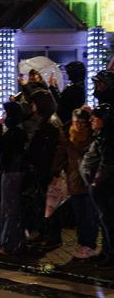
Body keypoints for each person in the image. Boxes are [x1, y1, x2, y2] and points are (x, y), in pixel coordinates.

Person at [24, 89, 62, 250]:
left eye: (33, 103)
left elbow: (51, 150)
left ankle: (52, 236)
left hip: (46, 170)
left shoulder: (50, 124)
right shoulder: (43, 121)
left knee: (50, 203)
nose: (31, 106)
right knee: (43, 203)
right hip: (41, 169)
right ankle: (46, 233)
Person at [80, 104, 114, 267]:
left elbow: (107, 163)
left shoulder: (107, 138)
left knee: (108, 221)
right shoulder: (101, 136)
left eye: (96, 117)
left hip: (104, 188)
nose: (92, 120)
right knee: (104, 221)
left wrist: (96, 182)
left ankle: (110, 255)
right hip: (99, 187)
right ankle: (107, 251)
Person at [0, 101, 28, 255]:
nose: (5, 117)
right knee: (12, 208)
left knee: (9, 209)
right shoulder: (19, 130)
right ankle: (15, 243)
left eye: (7, 114)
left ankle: (11, 244)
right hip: (15, 170)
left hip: (12, 172)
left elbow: (0, 144)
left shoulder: (15, 131)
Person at [64, 107, 99, 259]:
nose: (78, 124)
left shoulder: (92, 139)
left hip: (88, 182)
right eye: (75, 121)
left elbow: (83, 158)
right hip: (74, 182)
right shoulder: (69, 137)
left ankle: (89, 245)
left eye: (81, 122)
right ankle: (82, 243)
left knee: (89, 216)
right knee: (79, 216)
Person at [53, 61, 86, 125]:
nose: (67, 73)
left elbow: (61, 101)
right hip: (68, 120)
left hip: (66, 122)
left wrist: (53, 87)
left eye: (69, 72)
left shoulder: (76, 88)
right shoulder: (77, 86)